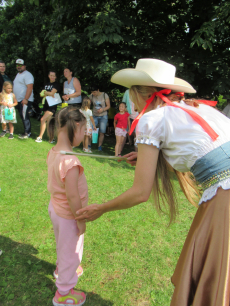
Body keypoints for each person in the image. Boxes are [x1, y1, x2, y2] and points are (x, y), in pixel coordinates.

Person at [76, 58, 230, 306]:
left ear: (137, 93)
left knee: (215, 280)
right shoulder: (200, 108)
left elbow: (140, 193)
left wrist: (100, 208)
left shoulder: (152, 120)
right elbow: (203, 154)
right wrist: (149, 158)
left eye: (130, 94)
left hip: (225, 199)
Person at [47, 106, 87, 306]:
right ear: (76, 126)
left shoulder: (54, 151)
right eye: (84, 131)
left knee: (63, 245)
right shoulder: (70, 161)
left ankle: (61, 269)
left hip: (56, 209)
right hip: (68, 216)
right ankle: (63, 292)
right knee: (71, 251)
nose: (84, 135)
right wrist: (80, 219)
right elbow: (72, 196)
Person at [35, 70, 61, 143]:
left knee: (42, 119)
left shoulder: (56, 85)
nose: (52, 77)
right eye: (51, 75)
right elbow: (41, 95)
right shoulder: (46, 84)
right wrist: (48, 93)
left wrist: (46, 92)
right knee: (49, 122)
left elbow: (52, 93)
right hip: (45, 105)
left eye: (54, 76)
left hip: (52, 106)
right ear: (48, 76)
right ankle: (52, 138)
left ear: (55, 77)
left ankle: (40, 137)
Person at [13, 59, 34, 139]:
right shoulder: (18, 74)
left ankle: (27, 133)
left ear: (24, 66)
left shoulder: (28, 74)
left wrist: (26, 99)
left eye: (20, 65)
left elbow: (30, 87)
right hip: (19, 100)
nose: (19, 67)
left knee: (25, 116)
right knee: (22, 116)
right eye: (17, 65)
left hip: (25, 100)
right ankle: (26, 131)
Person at [89, 85, 110, 151]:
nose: (93, 94)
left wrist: (102, 110)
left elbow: (108, 106)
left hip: (103, 115)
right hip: (94, 115)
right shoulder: (91, 96)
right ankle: (89, 145)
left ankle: (99, 146)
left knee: (102, 132)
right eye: (92, 92)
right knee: (91, 130)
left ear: (98, 90)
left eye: (94, 92)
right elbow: (88, 104)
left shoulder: (104, 95)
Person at [0, 60, 12, 133]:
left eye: (3, 66)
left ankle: (7, 128)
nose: (2, 68)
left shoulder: (7, 75)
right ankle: (5, 128)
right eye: (0, 66)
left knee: (6, 111)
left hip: (8, 96)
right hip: (1, 96)